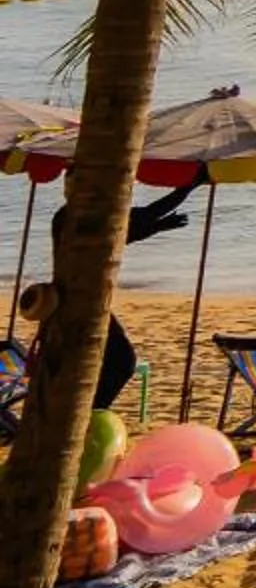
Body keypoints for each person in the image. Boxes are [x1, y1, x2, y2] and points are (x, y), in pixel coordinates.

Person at [33, 174, 204, 412]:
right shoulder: (78, 217)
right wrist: (188, 187)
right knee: (123, 361)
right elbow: (137, 221)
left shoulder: (68, 216)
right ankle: (90, 412)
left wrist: (173, 206)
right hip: (80, 303)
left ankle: (87, 411)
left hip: (69, 301)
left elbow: (132, 225)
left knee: (104, 363)